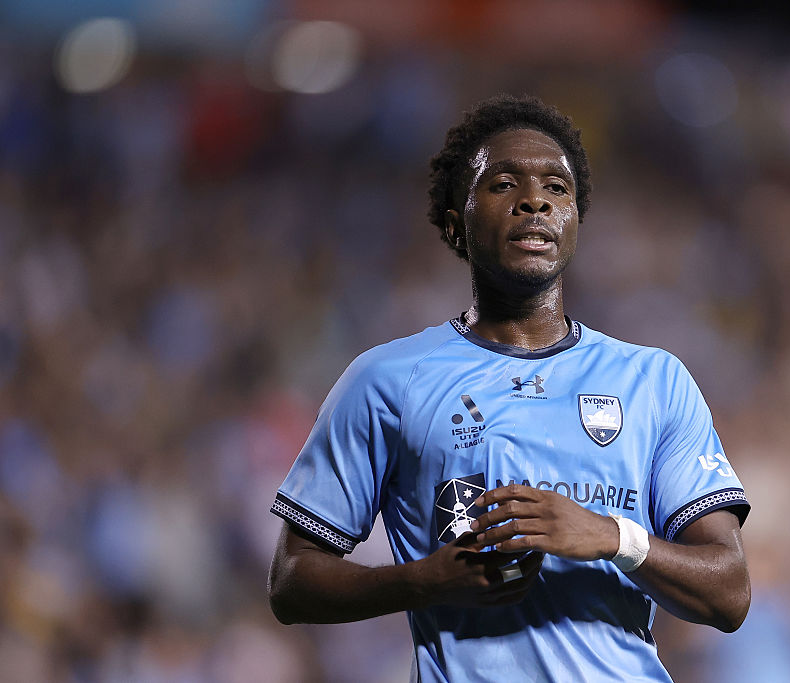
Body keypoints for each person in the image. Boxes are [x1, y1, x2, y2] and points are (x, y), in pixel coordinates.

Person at [268, 94, 751, 682]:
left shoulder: (654, 380)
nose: (535, 200)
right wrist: (423, 581)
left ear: (574, 220)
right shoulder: (387, 380)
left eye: (557, 187)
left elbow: (729, 593)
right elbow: (292, 581)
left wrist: (609, 537)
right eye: (502, 184)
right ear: (455, 220)